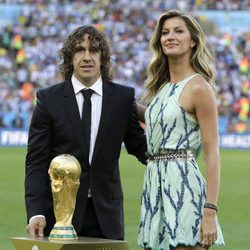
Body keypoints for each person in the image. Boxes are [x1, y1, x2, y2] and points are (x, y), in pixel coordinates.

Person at [25, 25, 147, 240]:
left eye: (94, 50)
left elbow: (142, 149)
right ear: (70, 57)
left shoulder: (122, 98)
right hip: (59, 215)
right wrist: (36, 212)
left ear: (103, 57)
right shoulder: (48, 99)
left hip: (107, 216)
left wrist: (177, 159)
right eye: (80, 50)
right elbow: (36, 161)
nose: (87, 57)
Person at [137, 10, 225, 250]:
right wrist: (117, 98)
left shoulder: (199, 87)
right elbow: (158, 119)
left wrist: (210, 211)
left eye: (178, 31)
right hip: (154, 186)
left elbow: (212, 153)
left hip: (184, 189)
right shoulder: (162, 87)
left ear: (193, 40)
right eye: (165, 32)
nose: (169, 37)